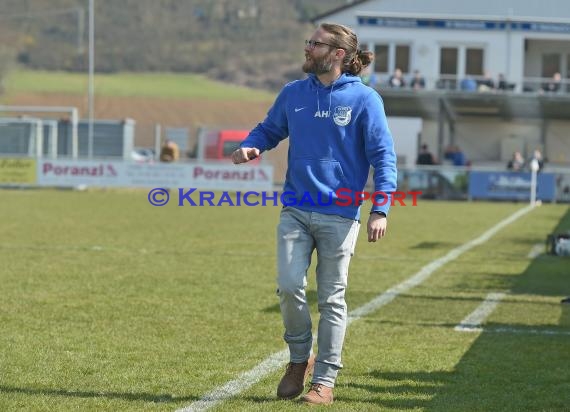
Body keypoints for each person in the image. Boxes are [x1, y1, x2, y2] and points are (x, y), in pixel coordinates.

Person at [231, 22, 397, 405]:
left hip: (341, 214)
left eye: (315, 44)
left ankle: (324, 381)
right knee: (289, 287)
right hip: (296, 209)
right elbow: (269, 129)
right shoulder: (293, 93)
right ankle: (297, 358)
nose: (308, 48)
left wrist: (381, 209)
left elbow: (383, 156)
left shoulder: (365, 100)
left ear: (338, 54)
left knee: (332, 299)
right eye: (309, 42)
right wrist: (251, 146)